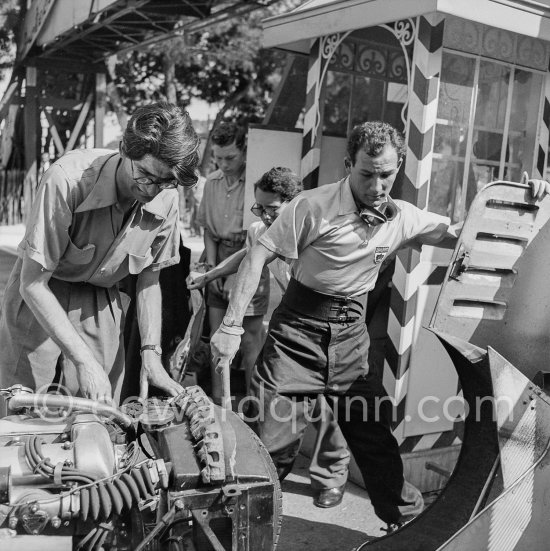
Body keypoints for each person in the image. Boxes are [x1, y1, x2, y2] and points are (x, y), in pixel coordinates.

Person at [210, 121, 550, 532]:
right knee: (274, 444)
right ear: (349, 165)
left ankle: (407, 527)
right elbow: (258, 255)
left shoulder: (404, 216)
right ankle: (242, 533)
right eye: (366, 174)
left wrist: (527, 206)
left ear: (398, 166)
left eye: (386, 174)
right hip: (296, 333)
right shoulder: (310, 206)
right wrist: (230, 326)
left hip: (350, 336)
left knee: (374, 441)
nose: (376, 185)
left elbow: (466, 236)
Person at [0, 101, 200, 404]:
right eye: (145, 175)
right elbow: (32, 282)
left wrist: (151, 354)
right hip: (41, 296)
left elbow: (149, 281)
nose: (151, 190)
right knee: (23, 407)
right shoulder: (67, 180)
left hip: (101, 303)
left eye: (164, 181)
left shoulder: (166, 198)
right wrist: (83, 360)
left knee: (96, 414)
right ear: (123, 149)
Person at [188, 167, 350, 507]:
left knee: (326, 405)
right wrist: (212, 273)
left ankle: (329, 476)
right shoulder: (261, 229)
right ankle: (267, 470)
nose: (263, 215)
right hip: (289, 329)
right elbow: (249, 256)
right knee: (276, 398)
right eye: (258, 207)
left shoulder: (318, 232)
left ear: (294, 204)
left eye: (271, 208)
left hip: (327, 329)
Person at [197, 122, 269, 403]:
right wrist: (214, 271)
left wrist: (232, 276)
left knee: (249, 340)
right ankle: (219, 405)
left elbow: (255, 242)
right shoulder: (212, 183)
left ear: (244, 152)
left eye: (231, 158)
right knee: (218, 338)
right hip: (218, 260)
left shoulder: (255, 186)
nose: (224, 164)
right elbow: (208, 230)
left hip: (250, 258)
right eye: (218, 158)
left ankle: (254, 407)